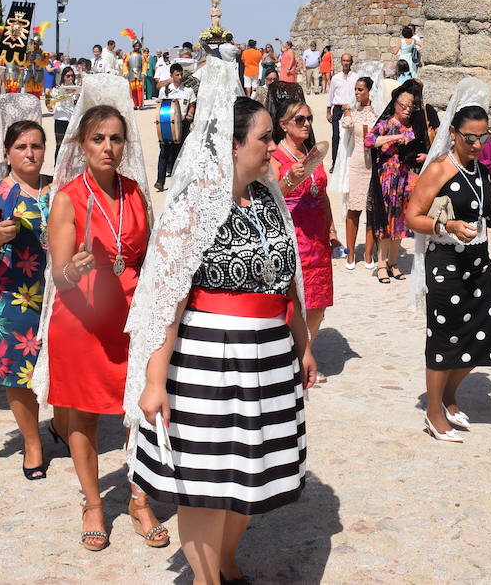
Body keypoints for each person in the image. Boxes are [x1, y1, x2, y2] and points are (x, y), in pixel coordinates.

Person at [127, 66, 315, 585]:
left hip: (270, 354)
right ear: (232, 145)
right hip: (209, 358)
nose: (273, 146)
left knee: (248, 474)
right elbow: (168, 299)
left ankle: (228, 564)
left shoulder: (267, 198)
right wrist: (154, 379)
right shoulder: (192, 206)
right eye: (264, 138)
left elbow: (288, 281)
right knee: (207, 481)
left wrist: (302, 345)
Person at [44, 88, 169, 551]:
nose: (108, 147)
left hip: (133, 317)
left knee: (143, 410)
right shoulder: (68, 199)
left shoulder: (135, 192)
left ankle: (139, 498)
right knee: (84, 413)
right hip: (83, 318)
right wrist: (71, 270)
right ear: (82, 144)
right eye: (98, 138)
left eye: (116, 139)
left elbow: (152, 251)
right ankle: (94, 501)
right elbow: (60, 273)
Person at [406, 97, 491, 442]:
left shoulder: (481, 170)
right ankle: (433, 412)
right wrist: (447, 228)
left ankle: (448, 394)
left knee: (482, 331)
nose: (476, 144)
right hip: (446, 264)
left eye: (482, 137)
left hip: (478, 261)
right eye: (469, 138)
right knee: (445, 338)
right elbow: (412, 217)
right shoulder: (439, 169)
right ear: (453, 134)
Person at [0, 120, 51, 478]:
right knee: (18, 374)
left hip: (59, 294)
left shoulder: (58, 188)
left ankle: (62, 424)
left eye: (36, 146)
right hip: (11, 298)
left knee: (61, 367)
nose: (30, 153)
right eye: (21, 147)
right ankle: (32, 443)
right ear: (6, 152)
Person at [272, 100, 338, 381]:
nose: (307, 124)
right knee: (295, 299)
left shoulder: (313, 154)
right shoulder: (275, 156)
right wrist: (288, 179)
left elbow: (321, 193)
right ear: (284, 125)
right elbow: (273, 195)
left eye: (309, 119)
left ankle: (305, 351)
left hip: (317, 236)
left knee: (318, 301)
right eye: (299, 119)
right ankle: (292, 358)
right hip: (293, 233)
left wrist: (332, 227)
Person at [365, 82, 426, 282]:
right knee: (386, 222)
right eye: (404, 105)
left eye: (411, 107)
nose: (408, 110)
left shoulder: (413, 127)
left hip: (405, 178)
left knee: (399, 221)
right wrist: (395, 137)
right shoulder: (386, 124)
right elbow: (368, 141)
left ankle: (393, 262)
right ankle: (381, 263)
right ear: (395, 104)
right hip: (387, 178)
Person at [338, 76, 380, 272]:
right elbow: (344, 125)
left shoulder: (378, 114)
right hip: (356, 164)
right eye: (355, 89)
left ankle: (369, 253)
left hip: (373, 166)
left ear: (369, 91)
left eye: (360, 89)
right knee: (353, 211)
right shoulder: (352, 113)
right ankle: (350, 252)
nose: (356, 93)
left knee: (371, 211)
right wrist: (348, 109)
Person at [153, 63, 196, 192]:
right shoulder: (165, 90)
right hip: (167, 126)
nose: (180, 77)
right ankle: (160, 181)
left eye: (181, 74)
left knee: (179, 153)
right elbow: (160, 107)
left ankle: (177, 183)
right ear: (171, 75)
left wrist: (190, 113)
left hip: (183, 124)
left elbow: (192, 103)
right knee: (164, 153)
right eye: (177, 74)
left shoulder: (188, 90)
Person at [325, 53, 358, 168]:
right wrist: (328, 110)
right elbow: (331, 94)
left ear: (351, 62)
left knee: (351, 136)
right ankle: (335, 163)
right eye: (344, 60)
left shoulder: (356, 77)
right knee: (336, 136)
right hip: (338, 109)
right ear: (341, 62)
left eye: (348, 61)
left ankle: (349, 163)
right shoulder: (335, 78)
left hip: (351, 109)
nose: (346, 63)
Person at [50, 67, 80, 150]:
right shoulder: (57, 88)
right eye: (68, 76)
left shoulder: (76, 88)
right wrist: (65, 93)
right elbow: (52, 100)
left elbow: (77, 103)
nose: (70, 78)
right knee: (59, 146)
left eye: (72, 76)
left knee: (71, 146)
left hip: (72, 120)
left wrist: (77, 96)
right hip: (60, 119)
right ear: (63, 77)